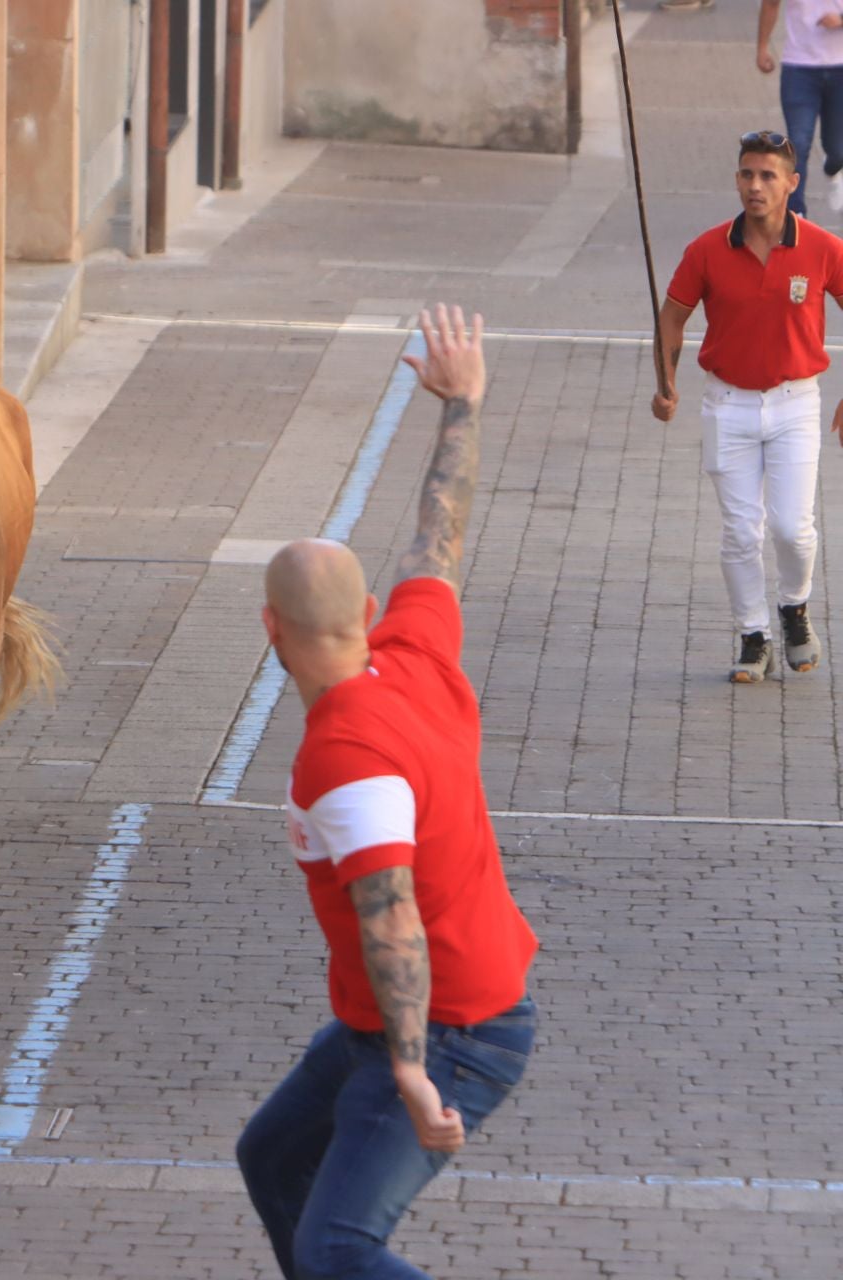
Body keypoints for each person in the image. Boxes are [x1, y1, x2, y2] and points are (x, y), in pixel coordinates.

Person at [237, 305, 540, 1280]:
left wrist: (410, 1069)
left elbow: (391, 913)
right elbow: (437, 534)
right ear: (365, 614)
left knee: (339, 1246)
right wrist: (462, 405)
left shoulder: (346, 755)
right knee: (274, 1156)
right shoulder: (411, 652)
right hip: (413, 1013)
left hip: (450, 1026)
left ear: (269, 630)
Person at [653, 130, 843, 682]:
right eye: (746, 174)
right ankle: (752, 635)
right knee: (740, 532)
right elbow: (672, 316)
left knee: (793, 528)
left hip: (795, 404)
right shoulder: (707, 249)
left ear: (791, 183)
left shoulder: (823, 249)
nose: (754, 186)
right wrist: (666, 383)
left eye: (766, 175)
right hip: (727, 406)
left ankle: (795, 608)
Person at [759, 0, 843, 221]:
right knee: (799, 141)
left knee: (837, 148)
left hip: (840, 68)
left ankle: (835, 166)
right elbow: (770, 4)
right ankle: (796, 211)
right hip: (799, 68)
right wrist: (762, 48)